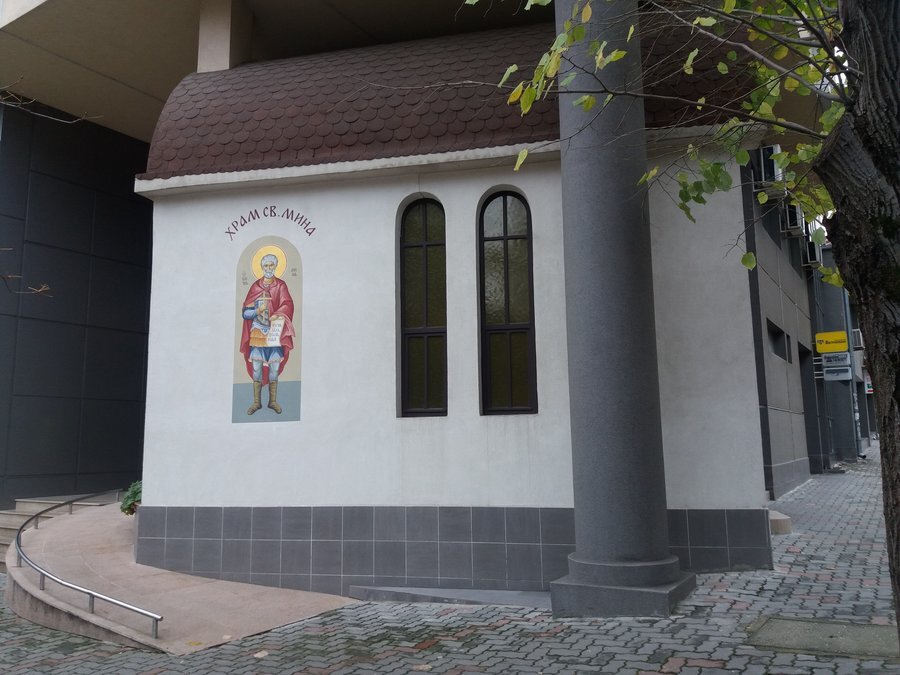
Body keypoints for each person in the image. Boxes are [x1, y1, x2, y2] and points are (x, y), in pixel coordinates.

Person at [239, 253, 296, 414]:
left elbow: (288, 304)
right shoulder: (255, 287)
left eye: (271, 265)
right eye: (266, 266)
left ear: (275, 267)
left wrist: (277, 314)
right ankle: (257, 402)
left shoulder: (281, 286)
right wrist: (258, 311)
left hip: (274, 333)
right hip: (258, 333)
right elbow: (245, 313)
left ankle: (273, 402)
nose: (269, 268)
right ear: (262, 267)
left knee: (274, 368)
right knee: (257, 368)